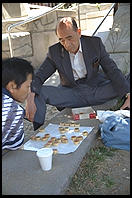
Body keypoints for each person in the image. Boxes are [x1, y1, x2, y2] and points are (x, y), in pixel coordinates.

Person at [25, 17, 130, 131]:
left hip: (97, 90)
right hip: (73, 94)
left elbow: (112, 69)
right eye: (62, 40)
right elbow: (39, 77)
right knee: (39, 92)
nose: (66, 44)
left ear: (78, 32)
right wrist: (30, 98)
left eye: (69, 38)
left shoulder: (95, 44)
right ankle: (38, 131)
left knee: (125, 79)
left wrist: (128, 95)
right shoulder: (54, 52)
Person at [2, 57, 34, 150]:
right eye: (28, 86)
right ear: (12, 86)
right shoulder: (13, 112)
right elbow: (16, 146)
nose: (29, 91)